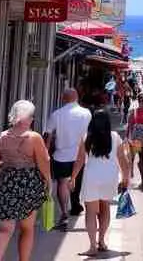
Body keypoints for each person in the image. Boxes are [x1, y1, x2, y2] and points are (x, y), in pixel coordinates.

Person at [0, 100, 51, 261]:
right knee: (27, 228)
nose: (32, 120)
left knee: (4, 229)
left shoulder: (3, 137)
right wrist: (48, 181)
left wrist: (8, 163)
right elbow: (44, 163)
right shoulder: (34, 137)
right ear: (26, 118)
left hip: (7, 182)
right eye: (31, 116)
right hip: (29, 183)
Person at [70, 110, 131, 256]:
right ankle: (102, 241)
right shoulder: (115, 136)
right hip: (109, 177)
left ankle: (92, 247)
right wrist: (125, 178)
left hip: (91, 176)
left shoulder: (87, 137)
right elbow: (123, 159)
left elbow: (79, 160)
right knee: (105, 209)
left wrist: (72, 177)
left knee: (90, 212)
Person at [45, 88, 92, 228]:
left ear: (63, 98)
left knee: (62, 183)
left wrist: (45, 154)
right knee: (76, 179)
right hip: (80, 154)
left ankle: (64, 212)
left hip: (61, 155)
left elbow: (48, 135)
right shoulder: (86, 113)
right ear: (77, 98)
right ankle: (76, 204)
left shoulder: (56, 114)